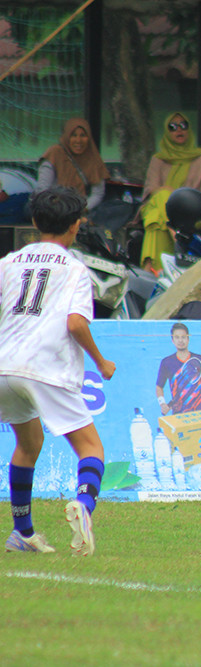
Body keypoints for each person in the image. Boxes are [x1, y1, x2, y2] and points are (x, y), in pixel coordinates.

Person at [0, 186, 116, 556]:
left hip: (5, 367)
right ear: (76, 226)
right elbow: (76, 324)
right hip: (45, 367)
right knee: (90, 447)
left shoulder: (7, 263)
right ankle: (84, 504)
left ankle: (23, 533)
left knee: (29, 443)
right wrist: (101, 362)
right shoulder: (75, 270)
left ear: (34, 222)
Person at [140, 112, 201, 271]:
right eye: (172, 127)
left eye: (183, 125)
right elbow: (151, 191)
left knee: (156, 222)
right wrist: (169, 193)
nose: (178, 130)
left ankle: (152, 268)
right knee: (162, 198)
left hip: (192, 213)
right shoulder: (159, 159)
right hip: (161, 209)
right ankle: (175, 233)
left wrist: (181, 198)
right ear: (167, 132)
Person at [35, 117, 110, 211]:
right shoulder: (54, 153)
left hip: (82, 208)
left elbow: (98, 194)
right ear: (67, 136)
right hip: (53, 208)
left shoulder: (93, 157)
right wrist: (57, 208)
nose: (78, 140)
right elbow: (43, 189)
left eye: (83, 135)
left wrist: (83, 209)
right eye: (73, 135)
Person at [155, 322, 201, 415]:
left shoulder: (200, 360)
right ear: (172, 340)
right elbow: (159, 387)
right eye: (177, 337)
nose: (180, 340)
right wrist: (163, 403)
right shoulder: (166, 362)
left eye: (183, 337)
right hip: (179, 416)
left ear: (188, 339)